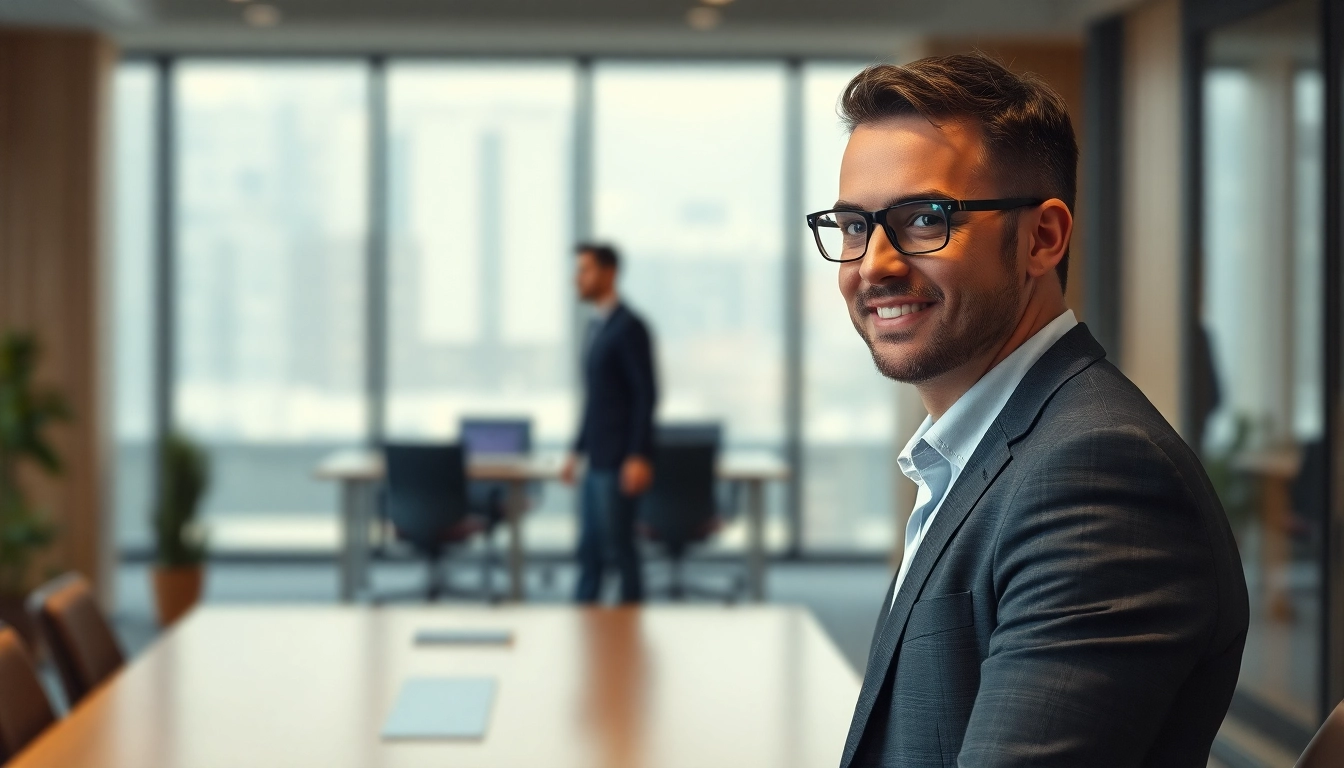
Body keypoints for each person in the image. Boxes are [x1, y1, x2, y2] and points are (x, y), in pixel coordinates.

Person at [806, 53, 1249, 767]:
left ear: (1043, 237)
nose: (873, 264)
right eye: (854, 226)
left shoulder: (1095, 473)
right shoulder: (982, 454)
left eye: (924, 219)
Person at [561, 243, 657, 604]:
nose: (577, 279)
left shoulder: (630, 327)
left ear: (609, 273)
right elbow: (596, 399)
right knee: (590, 550)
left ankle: (630, 625)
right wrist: (575, 450)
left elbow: (645, 396)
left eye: (585, 270)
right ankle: (583, 626)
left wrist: (638, 455)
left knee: (618, 548)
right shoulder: (596, 327)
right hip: (596, 458)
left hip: (619, 459)